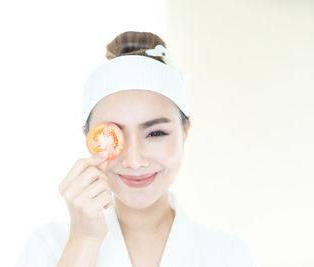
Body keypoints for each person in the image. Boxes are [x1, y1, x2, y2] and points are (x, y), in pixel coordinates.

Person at [15, 31, 257, 267]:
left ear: (185, 131)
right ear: (88, 137)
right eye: (113, 135)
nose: (134, 160)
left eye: (155, 133)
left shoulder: (229, 255)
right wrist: (84, 240)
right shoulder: (49, 245)